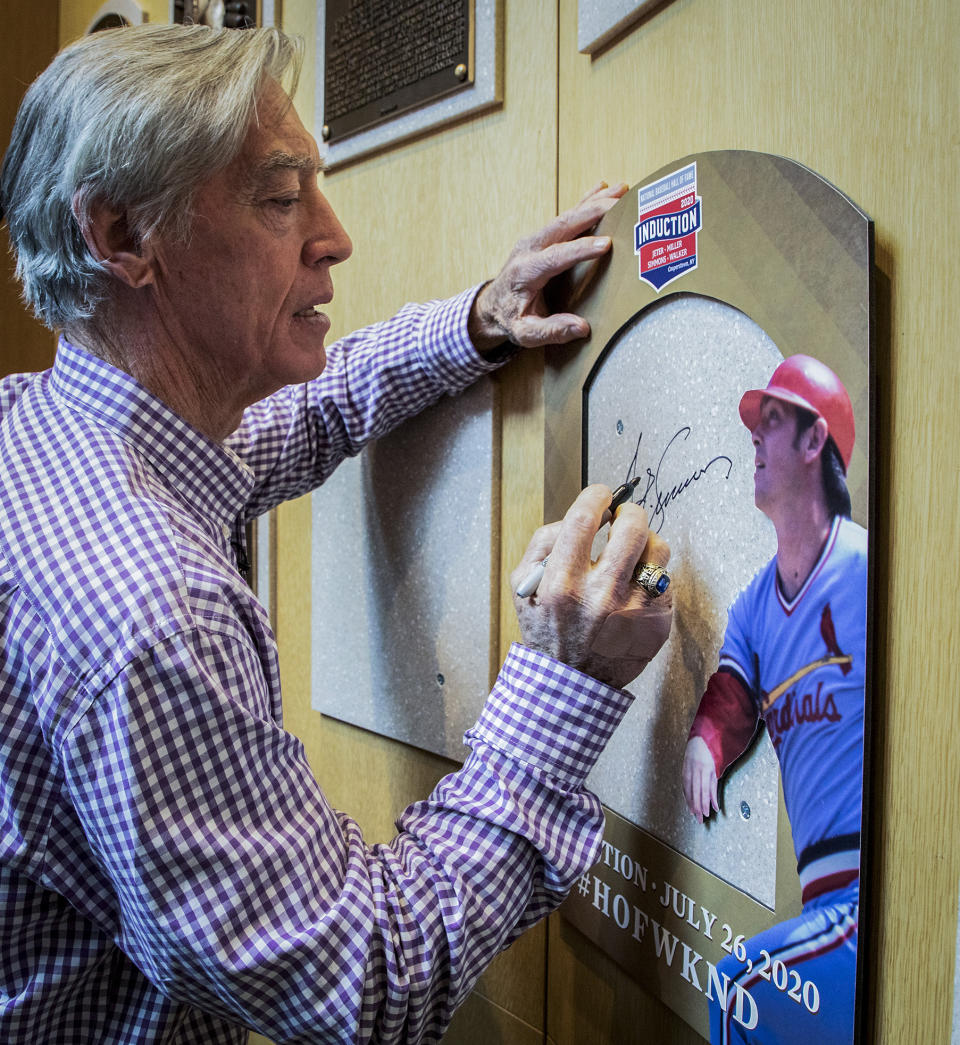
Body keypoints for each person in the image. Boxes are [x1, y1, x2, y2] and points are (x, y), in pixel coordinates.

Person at [0, 23, 674, 1045]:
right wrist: (564, 683)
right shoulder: (148, 606)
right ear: (124, 237)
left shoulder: (51, 429)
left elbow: (298, 421)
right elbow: (363, 984)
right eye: (279, 197)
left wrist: (479, 319)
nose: (335, 233)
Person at [681, 354, 866, 1044]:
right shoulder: (757, 603)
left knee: (739, 992)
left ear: (816, 440)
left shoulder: (867, 568)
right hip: (824, 895)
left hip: (876, 883)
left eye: (773, 420)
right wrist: (705, 739)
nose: (754, 438)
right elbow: (733, 694)